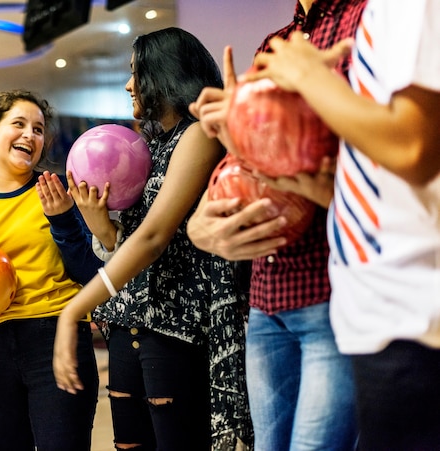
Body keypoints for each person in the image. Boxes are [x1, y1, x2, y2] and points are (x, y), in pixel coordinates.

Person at [243, 1, 440, 448]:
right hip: (370, 304)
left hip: (407, 309)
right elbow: (367, 172)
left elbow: (411, 146)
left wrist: (309, 77)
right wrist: (238, 128)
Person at [53, 27, 253, 450]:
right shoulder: (149, 146)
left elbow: (155, 238)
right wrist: (98, 224)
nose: (129, 84)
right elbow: (126, 243)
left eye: (136, 72)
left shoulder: (199, 134)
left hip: (176, 325)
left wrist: (75, 309)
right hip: (127, 320)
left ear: (165, 74)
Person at [187, 1, 367, 450]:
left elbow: (385, 158)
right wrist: (201, 225)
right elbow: (247, 162)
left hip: (335, 294)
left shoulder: (370, 19)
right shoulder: (275, 44)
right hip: (267, 301)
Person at [0, 89, 102, 451]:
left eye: (39, 129)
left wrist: (61, 221)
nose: (31, 135)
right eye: (19, 124)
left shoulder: (57, 194)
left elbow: (91, 274)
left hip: (56, 340)